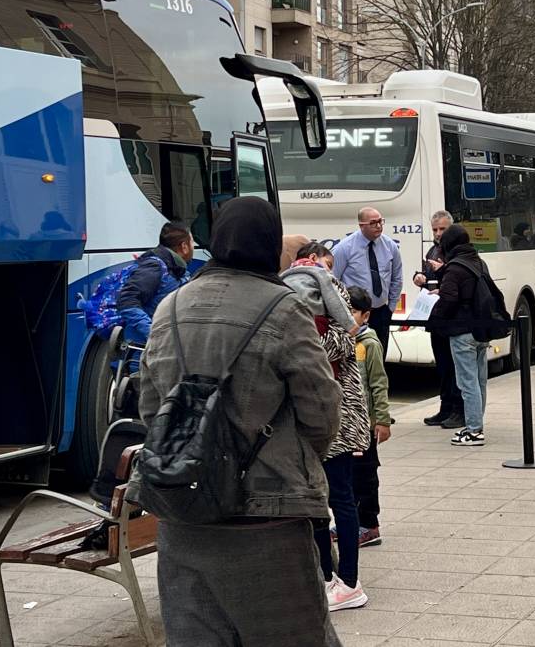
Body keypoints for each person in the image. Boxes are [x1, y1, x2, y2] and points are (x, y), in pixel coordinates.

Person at [131, 198, 343, 647]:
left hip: (183, 513)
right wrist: (295, 461)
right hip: (266, 521)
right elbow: (322, 408)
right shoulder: (284, 308)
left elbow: (152, 408)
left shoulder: (170, 306)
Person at [311, 276, 371, 613]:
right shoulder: (313, 317)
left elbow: (327, 348)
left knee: (340, 498)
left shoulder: (338, 324)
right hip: (313, 425)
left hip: (338, 425)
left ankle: (349, 581)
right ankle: (326, 576)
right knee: (318, 503)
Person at [431, 224, 490, 447]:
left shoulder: (455, 267)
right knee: (480, 380)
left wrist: (435, 316)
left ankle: (474, 430)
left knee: (467, 382)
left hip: (462, 330)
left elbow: (448, 300)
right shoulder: (478, 261)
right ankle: (477, 423)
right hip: (481, 327)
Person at [115, 222, 194, 371]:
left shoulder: (177, 270)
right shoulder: (155, 267)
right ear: (184, 246)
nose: (193, 248)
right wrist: (153, 333)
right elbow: (126, 301)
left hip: (162, 355)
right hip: (144, 357)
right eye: (192, 243)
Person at [348, 286, 391, 549]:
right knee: (348, 476)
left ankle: (369, 524)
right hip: (347, 424)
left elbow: (378, 384)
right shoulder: (341, 341)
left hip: (365, 424)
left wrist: (383, 420)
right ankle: (351, 521)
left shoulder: (369, 344)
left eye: (352, 311)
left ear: (366, 315)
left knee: (365, 475)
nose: (346, 315)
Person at [413, 210, 464, 428]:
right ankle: (445, 408)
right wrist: (420, 277)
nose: (438, 233)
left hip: (453, 318)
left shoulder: (457, 252)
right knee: (442, 365)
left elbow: (458, 282)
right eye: (435, 229)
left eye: (442, 229)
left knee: (455, 367)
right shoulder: (433, 250)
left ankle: (458, 410)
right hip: (435, 316)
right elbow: (428, 277)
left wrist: (442, 271)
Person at [332, 207, 403, 352]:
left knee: (379, 355)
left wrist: (391, 307)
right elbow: (333, 281)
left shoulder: (390, 246)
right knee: (356, 357)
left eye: (380, 221)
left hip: (381, 311)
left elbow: (397, 277)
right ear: (361, 225)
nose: (378, 226)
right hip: (355, 313)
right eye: (373, 223)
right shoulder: (345, 248)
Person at [283, 242, 359, 340]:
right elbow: (334, 300)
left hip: (287, 319)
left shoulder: (285, 275)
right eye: (329, 264)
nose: (330, 271)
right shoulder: (321, 273)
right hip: (313, 317)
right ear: (313, 257)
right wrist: (350, 325)